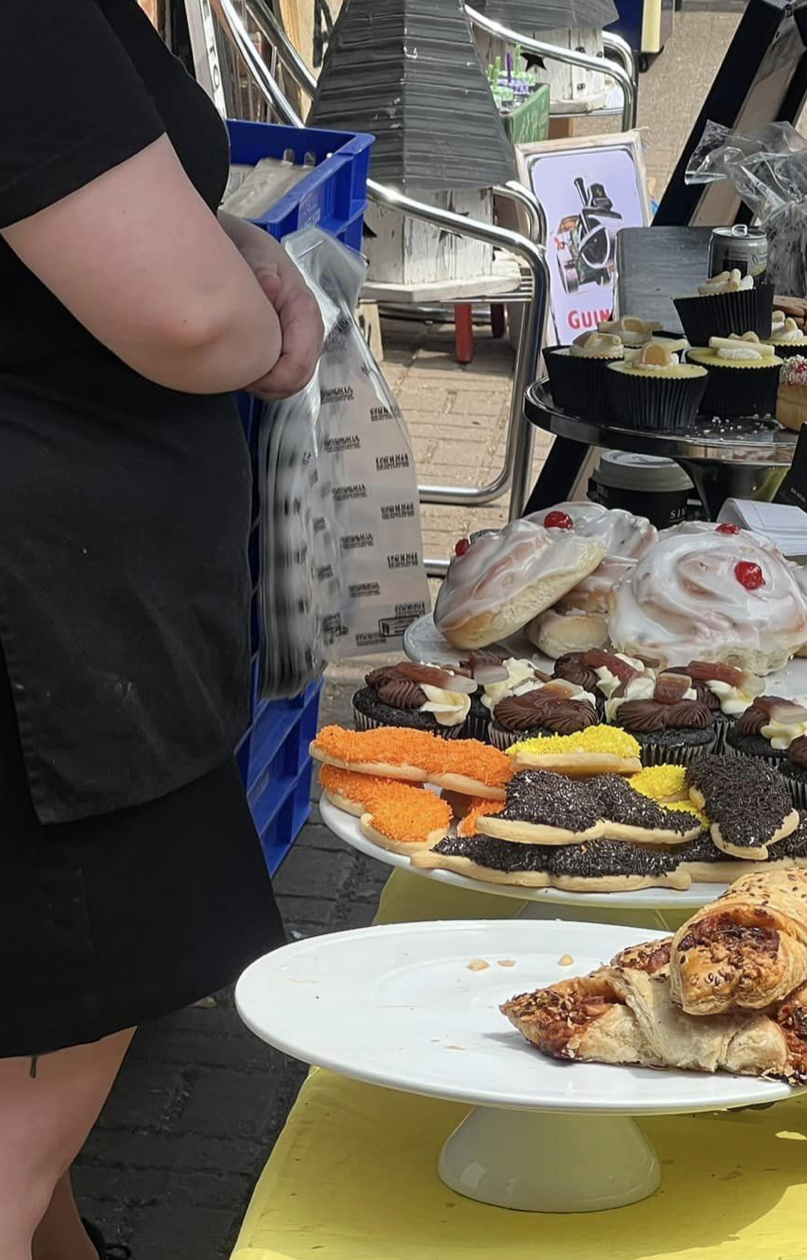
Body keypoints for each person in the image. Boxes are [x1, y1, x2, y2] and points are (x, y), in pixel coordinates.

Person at [0, 6, 323, 1259]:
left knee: (37, 1141)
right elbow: (186, 320)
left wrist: (223, 240)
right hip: (55, 662)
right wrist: (256, 312)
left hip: (62, 639)